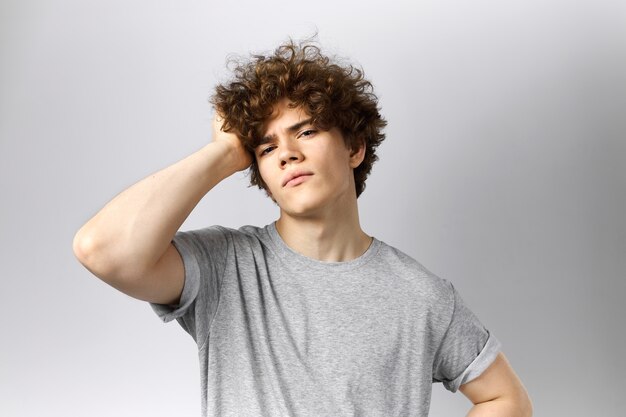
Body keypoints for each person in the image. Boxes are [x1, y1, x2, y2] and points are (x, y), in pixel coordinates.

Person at [73, 40, 532, 417]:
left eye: (307, 131)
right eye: (267, 148)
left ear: (354, 148)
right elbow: (102, 250)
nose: (287, 152)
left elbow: (506, 399)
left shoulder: (423, 296)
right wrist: (225, 153)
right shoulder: (225, 267)